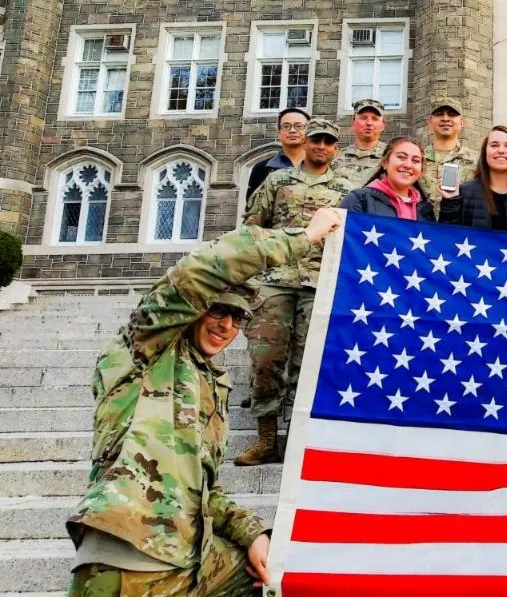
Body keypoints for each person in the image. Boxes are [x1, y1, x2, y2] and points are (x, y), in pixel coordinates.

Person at [67, 209, 342, 597]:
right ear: (193, 309)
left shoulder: (211, 382)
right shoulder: (144, 348)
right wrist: (304, 237)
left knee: (282, 571)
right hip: (130, 557)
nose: (226, 326)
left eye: (237, 317)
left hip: (194, 559)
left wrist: (255, 534)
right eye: (217, 310)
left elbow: (203, 489)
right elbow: (202, 269)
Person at [236, 119, 354, 466]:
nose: (321, 146)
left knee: (310, 365)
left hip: (318, 283)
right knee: (265, 360)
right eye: (316, 139)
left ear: (336, 148)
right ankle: (267, 439)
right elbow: (252, 228)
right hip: (274, 280)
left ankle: (299, 441)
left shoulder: (346, 189)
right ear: (305, 143)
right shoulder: (276, 180)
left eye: (328, 142)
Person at [341, 135, 456, 221]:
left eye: (415, 161)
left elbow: (440, 244)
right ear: (385, 162)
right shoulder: (358, 200)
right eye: (401, 157)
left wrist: (450, 202)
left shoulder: (425, 209)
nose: (408, 165)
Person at [451, 125, 507, 232]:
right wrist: (450, 203)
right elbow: (448, 237)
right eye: (494, 145)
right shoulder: (465, 191)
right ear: (485, 152)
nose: (501, 150)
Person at [421, 97, 477, 215]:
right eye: (439, 114)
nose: (445, 118)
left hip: (459, 229)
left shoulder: (476, 161)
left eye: (452, 114)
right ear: (430, 122)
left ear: (462, 123)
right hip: (420, 230)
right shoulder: (417, 160)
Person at [246, 107, 310, 196]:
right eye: (286, 126)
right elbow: (251, 206)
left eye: (299, 126)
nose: (292, 130)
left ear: (309, 132)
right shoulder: (262, 168)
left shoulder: (322, 165)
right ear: (279, 134)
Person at [329, 98, 387, 188]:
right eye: (363, 118)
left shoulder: (390, 156)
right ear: (353, 124)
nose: (369, 123)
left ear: (382, 126)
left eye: (375, 119)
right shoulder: (336, 156)